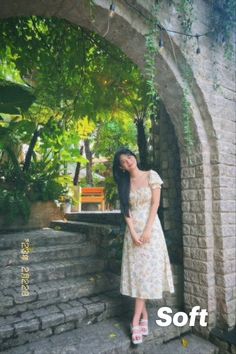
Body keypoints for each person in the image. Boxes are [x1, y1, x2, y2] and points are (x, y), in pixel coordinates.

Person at [112, 147, 175, 345]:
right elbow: (126, 210)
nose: (128, 161)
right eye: (123, 161)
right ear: (121, 168)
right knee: (139, 275)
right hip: (133, 233)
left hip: (151, 230)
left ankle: (135, 321)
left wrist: (147, 230)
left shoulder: (151, 175)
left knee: (146, 275)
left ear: (134, 157)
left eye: (129, 157)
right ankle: (145, 317)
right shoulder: (124, 184)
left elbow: (155, 204)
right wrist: (132, 232)